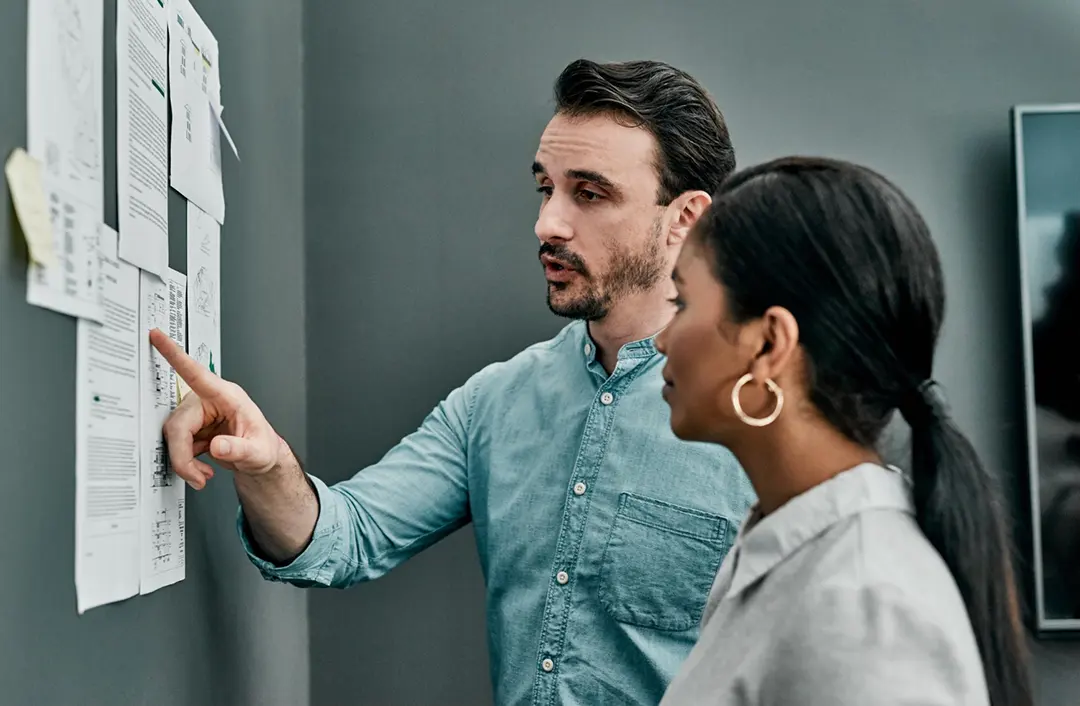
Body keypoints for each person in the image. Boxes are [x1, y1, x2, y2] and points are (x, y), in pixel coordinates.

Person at [150, 59, 755, 705]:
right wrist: (265, 461)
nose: (547, 223)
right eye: (544, 188)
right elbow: (341, 541)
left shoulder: (766, 417)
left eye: (590, 193)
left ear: (686, 217)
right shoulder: (497, 400)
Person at [654, 156, 1033, 706]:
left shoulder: (862, 604)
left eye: (682, 301)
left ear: (767, 344)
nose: (663, 340)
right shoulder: (782, 551)